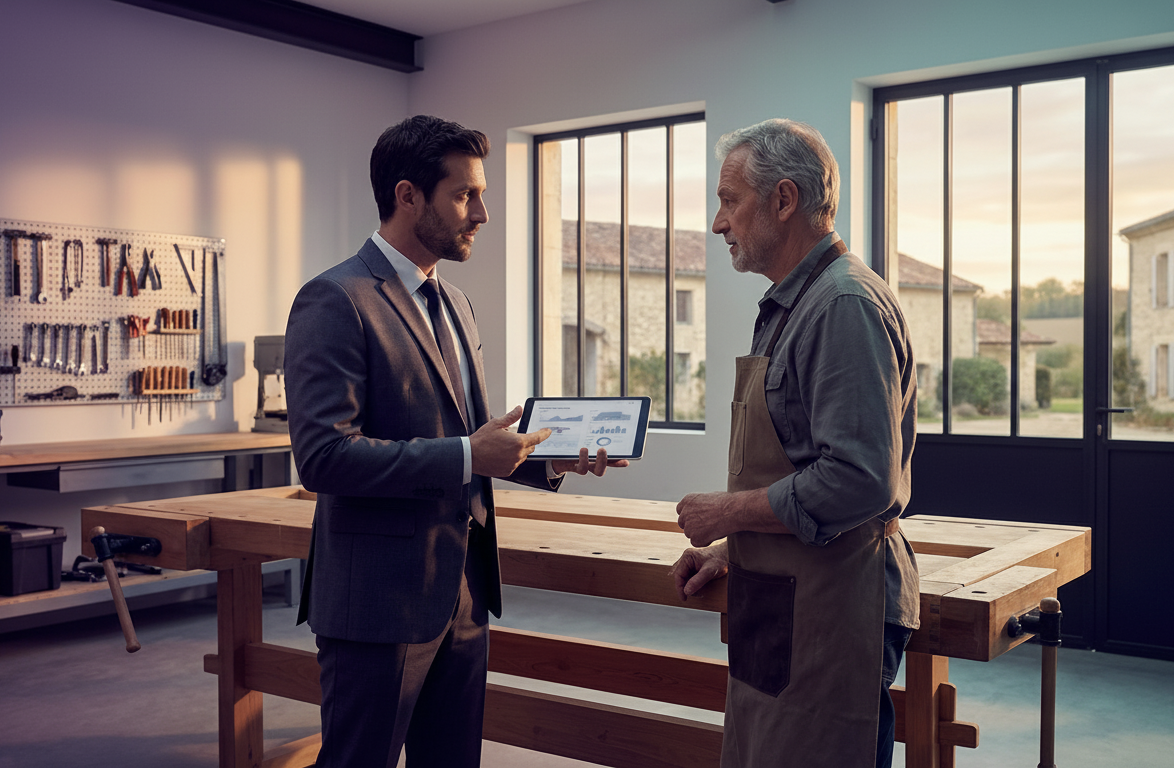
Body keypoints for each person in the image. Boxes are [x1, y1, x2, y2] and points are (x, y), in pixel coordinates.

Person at [286, 115, 623, 768]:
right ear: (408, 195)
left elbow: (472, 437)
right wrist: (471, 455)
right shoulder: (335, 300)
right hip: (377, 606)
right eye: (467, 195)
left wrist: (549, 456)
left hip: (463, 596)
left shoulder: (457, 305)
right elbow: (325, 457)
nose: (484, 214)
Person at [671, 119, 920, 768]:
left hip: (832, 613)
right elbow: (804, 460)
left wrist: (727, 512)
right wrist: (736, 547)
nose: (718, 223)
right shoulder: (794, 303)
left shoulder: (842, 306)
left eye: (730, 201)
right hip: (784, 601)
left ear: (784, 201)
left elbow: (860, 480)